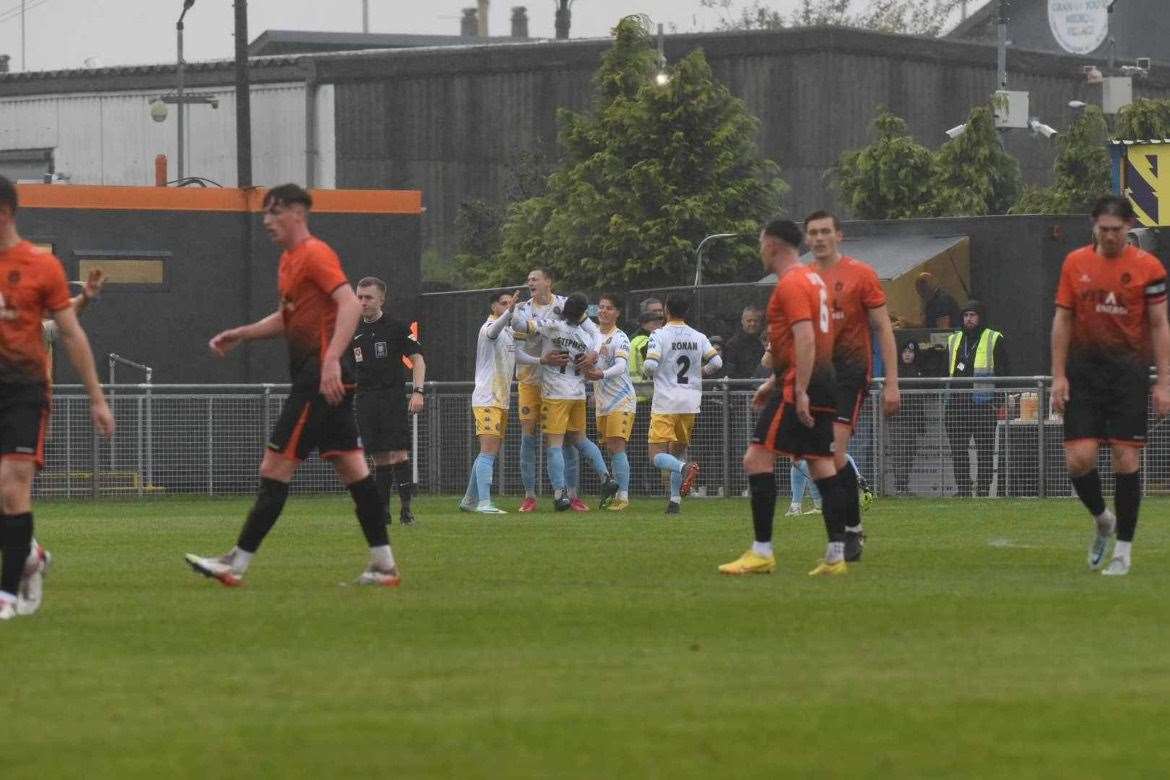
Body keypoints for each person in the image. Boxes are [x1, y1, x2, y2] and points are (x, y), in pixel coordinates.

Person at [185, 183, 400, 588]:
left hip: (318, 377)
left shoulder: (315, 254)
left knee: (275, 466)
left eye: (274, 212)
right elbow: (289, 320)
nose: (267, 221)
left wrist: (332, 360)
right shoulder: (289, 261)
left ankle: (235, 563)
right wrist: (242, 333)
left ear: (298, 213)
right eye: (265, 214)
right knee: (353, 468)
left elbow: (349, 302)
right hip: (321, 376)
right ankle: (384, 565)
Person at [0, 174, 115, 620]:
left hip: (24, 391)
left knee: (13, 487)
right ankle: (30, 556)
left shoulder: (41, 267)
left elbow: (68, 332)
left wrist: (97, 398)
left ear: (5, 213)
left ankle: (7, 594)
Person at [719, 218, 849, 577]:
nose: (760, 250)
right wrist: (774, 380)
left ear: (773, 244)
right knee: (821, 463)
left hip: (802, 385)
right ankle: (836, 555)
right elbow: (812, 340)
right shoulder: (813, 279)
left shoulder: (791, 283)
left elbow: (806, 339)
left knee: (756, 458)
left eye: (761, 243)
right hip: (821, 380)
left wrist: (797, 388)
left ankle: (762, 551)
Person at [1052, 195, 1170, 576]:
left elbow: (1159, 325)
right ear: (1093, 226)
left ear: (1130, 226)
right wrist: (1058, 375)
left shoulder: (1148, 268)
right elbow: (1063, 321)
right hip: (1084, 374)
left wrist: (1163, 381)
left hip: (1128, 375)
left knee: (1126, 458)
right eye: (1103, 230)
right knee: (1079, 459)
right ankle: (1103, 519)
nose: (1109, 237)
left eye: (1116, 230)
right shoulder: (1075, 263)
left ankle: (1123, 552)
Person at [806, 210, 900, 562]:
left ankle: (847, 534)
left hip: (849, 374)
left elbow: (883, 327)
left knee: (833, 453)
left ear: (838, 236)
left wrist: (892, 382)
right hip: (816, 377)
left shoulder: (861, 274)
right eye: (813, 232)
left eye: (825, 231)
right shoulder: (802, 279)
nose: (819, 238)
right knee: (825, 457)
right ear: (806, 238)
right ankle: (851, 530)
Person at [513, 292, 618, 511]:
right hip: (577, 394)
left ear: (563, 309)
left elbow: (520, 324)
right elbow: (592, 354)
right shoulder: (586, 337)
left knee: (555, 446)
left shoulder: (552, 325)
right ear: (582, 314)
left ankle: (560, 493)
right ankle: (606, 477)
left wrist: (518, 308)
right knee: (581, 439)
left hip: (555, 394)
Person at [351, 276, 426, 526]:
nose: (362, 302)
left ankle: (406, 509)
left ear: (381, 299)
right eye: (359, 297)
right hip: (365, 401)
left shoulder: (396, 327)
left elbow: (418, 360)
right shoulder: (353, 330)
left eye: (368, 297)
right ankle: (383, 512)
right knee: (379, 457)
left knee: (399, 453)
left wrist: (418, 391)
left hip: (392, 398)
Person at [513, 268, 587, 512]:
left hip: (560, 384)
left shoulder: (566, 305)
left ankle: (571, 493)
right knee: (528, 435)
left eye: (535, 278)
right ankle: (530, 495)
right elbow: (518, 351)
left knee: (567, 438)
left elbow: (589, 332)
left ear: (548, 282)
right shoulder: (524, 309)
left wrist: (590, 354)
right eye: (529, 279)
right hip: (531, 379)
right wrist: (541, 360)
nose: (530, 282)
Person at [643, 292, 722, 515]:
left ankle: (684, 469)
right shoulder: (698, 336)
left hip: (666, 402)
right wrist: (701, 373)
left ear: (667, 309)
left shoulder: (659, 334)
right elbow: (717, 362)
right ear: (686, 311)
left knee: (656, 455)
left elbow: (650, 366)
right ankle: (675, 501)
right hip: (689, 401)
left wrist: (647, 372)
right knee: (677, 451)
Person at [460, 290, 520, 513]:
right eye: (503, 304)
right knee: (488, 450)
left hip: (501, 399)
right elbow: (494, 331)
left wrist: (541, 359)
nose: (507, 307)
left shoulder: (509, 332)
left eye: (510, 304)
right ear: (494, 307)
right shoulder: (488, 328)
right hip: (487, 398)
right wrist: (511, 311)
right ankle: (484, 502)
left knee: (489, 450)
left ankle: (469, 499)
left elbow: (517, 356)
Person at [944, 300, 1008, 498]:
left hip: (983, 403)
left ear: (980, 317)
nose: (968, 319)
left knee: (985, 450)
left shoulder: (994, 338)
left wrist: (997, 402)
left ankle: (982, 489)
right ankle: (963, 488)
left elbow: (1005, 373)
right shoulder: (953, 340)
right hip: (956, 404)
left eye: (972, 315)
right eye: (965, 315)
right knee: (958, 450)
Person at [584, 292, 636, 511]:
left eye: (609, 308)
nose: (603, 311)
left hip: (621, 399)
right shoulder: (592, 336)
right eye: (601, 307)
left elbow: (621, 367)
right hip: (603, 402)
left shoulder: (620, 337)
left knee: (617, 447)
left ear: (617, 313)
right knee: (610, 449)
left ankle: (623, 496)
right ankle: (613, 491)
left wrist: (600, 375)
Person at [888, 341, 929, 495]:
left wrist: (921, 422)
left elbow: (919, 401)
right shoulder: (895, 371)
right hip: (898, 418)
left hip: (912, 419)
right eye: (904, 351)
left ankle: (904, 485)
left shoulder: (919, 371)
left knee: (909, 452)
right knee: (899, 453)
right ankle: (900, 487)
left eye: (910, 352)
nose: (907, 354)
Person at [722, 305, 766, 378]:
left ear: (760, 322)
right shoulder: (733, 344)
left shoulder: (766, 341)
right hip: (742, 387)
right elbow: (730, 372)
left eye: (756, 321)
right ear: (742, 321)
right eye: (749, 321)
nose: (752, 324)